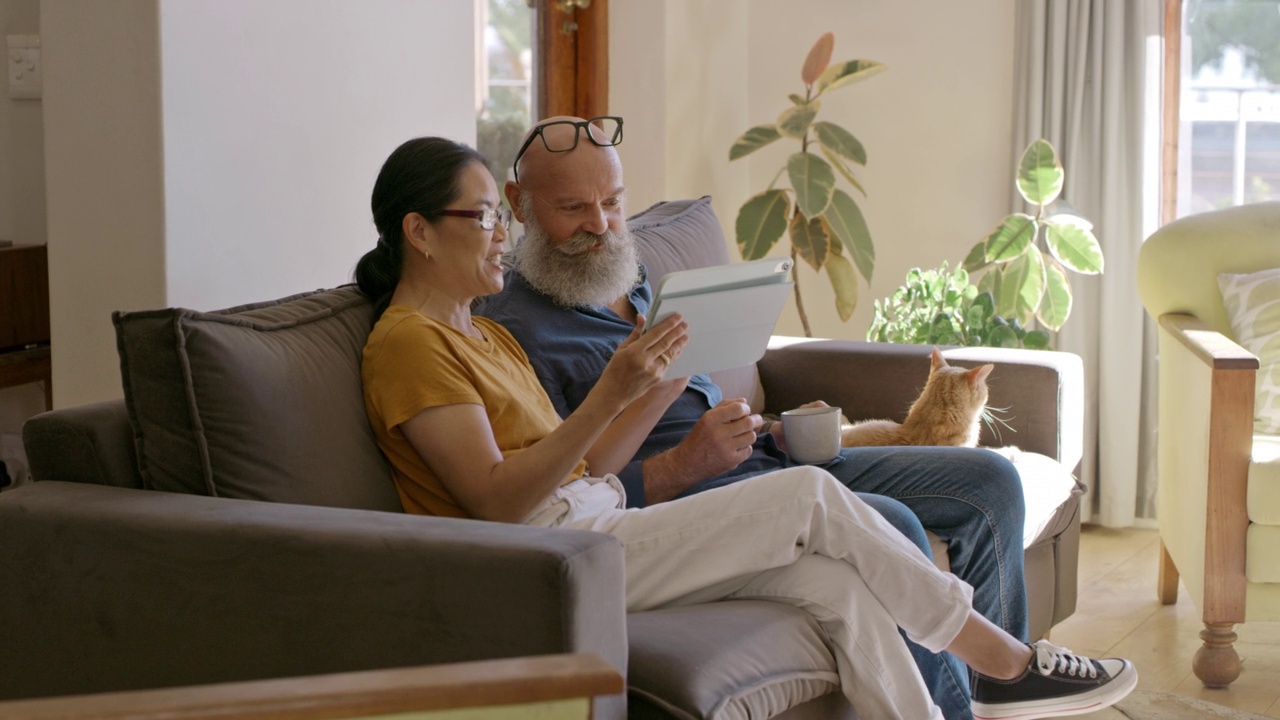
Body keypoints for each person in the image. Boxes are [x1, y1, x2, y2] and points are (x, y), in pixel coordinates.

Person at [355, 135, 1136, 720]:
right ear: (420, 231)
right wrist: (609, 396)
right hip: (549, 560)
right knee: (806, 498)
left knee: (838, 590)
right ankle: (1004, 662)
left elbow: (588, 465)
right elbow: (499, 506)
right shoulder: (408, 346)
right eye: (485, 216)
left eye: (498, 215)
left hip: (595, 520)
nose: (499, 234)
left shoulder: (477, 335)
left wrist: (651, 384)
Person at [477, 116, 1033, 717]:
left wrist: (774, 426)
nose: (600, 225)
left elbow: (690, 387)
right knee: (894, 522)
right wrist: (682, 464)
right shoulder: (513, 331)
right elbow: (572, 488)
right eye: (572, 208)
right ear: (520, 204)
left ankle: (1006, 692)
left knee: (989, 481)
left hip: (767, 453)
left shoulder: (628, 274)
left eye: (612, 202)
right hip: (704, 493)